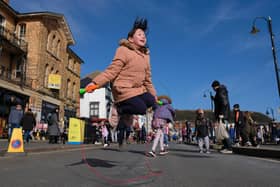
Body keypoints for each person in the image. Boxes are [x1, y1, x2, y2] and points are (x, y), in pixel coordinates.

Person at [85, 18, 157, 148]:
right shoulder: (123, 50)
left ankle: (125, 113)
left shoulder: (146, 56)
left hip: (138, 89)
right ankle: (118, 107)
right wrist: (96, 83)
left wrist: (154, 97)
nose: (143, 37)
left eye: (144, 35)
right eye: (139, 34)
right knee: (140, 108)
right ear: (130, 38)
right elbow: (112, 70)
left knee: (152, 102)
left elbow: (148, 80)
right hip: (122, 88)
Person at [211, 80, 232, 153]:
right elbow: (220, 101)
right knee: (222, 131)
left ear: (214, 86)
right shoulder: (220, 91)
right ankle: (226, 147)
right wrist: (214, 99)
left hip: (223, 115)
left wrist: (222, 114)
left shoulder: (220, 91)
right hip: (223, 114)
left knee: (224, 132)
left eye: (213, 88)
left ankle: (229, 148)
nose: (213, 90)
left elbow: (224, 103)